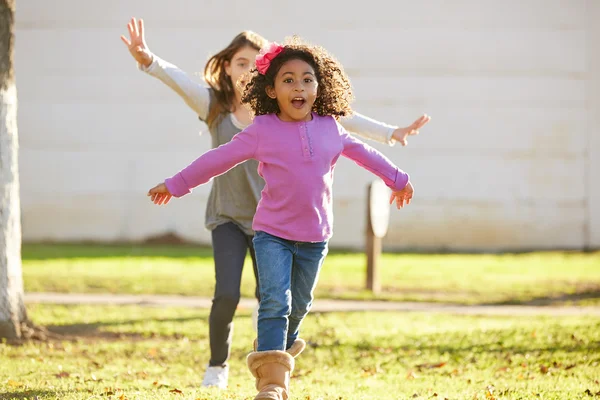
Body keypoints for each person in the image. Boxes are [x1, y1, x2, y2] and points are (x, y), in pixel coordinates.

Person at [121, 17, 430, 390]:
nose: (298, 86)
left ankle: (273, 352)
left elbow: (365, 154)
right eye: (288, 80)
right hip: (270, 234)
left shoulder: (331, 127)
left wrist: (399, 180)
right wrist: (175, 184)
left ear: (320, 87)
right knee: (274, 303)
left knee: (299, 305)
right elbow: (216, 160)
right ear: (271, 89)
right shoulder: (260, 130)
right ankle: (272, 385)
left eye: (307, 79)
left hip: (315, 237)